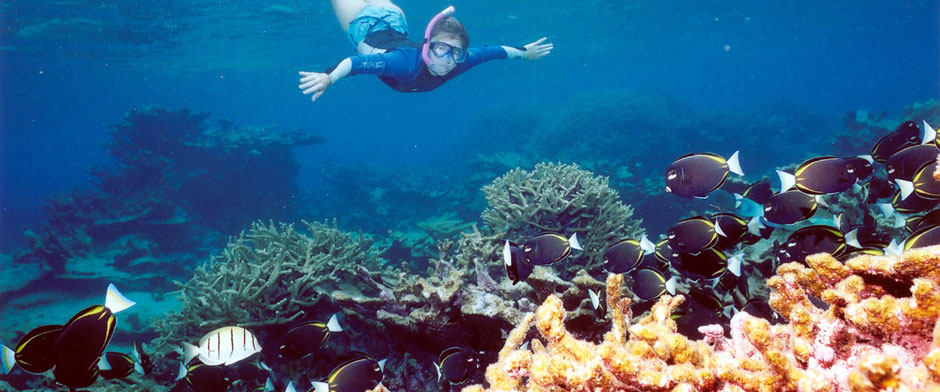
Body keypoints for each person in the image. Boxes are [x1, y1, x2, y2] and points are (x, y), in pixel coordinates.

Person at [298, 0, 553, 101]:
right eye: (440, 49)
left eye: (456, 53)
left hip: (395, 17)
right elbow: (355, 64)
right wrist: (328, 77)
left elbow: (493, 51)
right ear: (428, 46)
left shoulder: (460, 62)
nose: (447, 59)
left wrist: (524, 52)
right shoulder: (404, 64)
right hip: (364, 24)